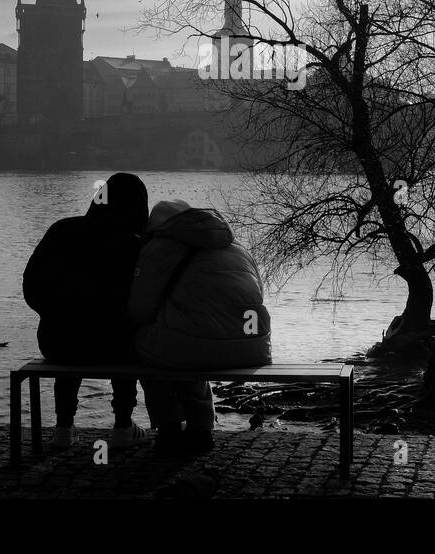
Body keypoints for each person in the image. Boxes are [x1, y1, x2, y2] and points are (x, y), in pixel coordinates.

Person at [128, 200, 271, 456]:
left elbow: (140, 309)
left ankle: (169, 428)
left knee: (149, 349)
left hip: (196, 346)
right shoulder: (236, 247)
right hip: (255, 347)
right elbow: (258, 293)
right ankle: (201, 429)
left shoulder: (158, 248)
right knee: (195, 339)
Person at [23, 172, 150, 450]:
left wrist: (54, 312)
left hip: (58, 343)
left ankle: (63, 428)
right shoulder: (135, 245)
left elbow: (30, 286)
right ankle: (123, 426)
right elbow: (146, 302)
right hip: (116, 345)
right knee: (124, 334)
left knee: (72, 333)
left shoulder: (62, 230)